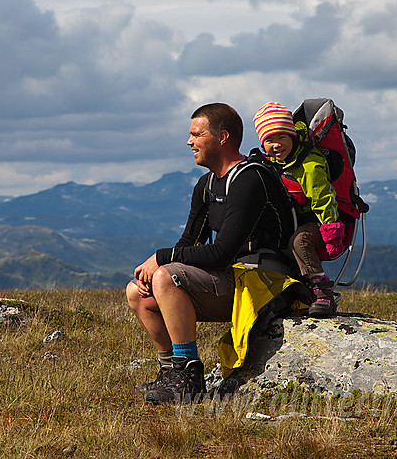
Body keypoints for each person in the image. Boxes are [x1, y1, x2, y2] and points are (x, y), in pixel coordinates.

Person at [126, 103, 296, 404]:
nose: (189, 142)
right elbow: (189, 241)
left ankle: (188, 377)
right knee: (137, 292)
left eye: (196, 134)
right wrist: (159, 263)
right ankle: (170, 372)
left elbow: (220, 253)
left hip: (267, 283)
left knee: (166, 277)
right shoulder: (206, 185)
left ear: (222, 137)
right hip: (238, 280)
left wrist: (161, 258)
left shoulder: (250, 179)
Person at [253, 102, 344, 318]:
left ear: (292, 136)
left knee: (299, 242)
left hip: (318, 221)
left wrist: (331, 231)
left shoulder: (309, 165)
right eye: (269, 140)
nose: (276, 145)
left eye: (281, 137)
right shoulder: (273, 165)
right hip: (293, 220)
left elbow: (323, 198)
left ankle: (323, 293)